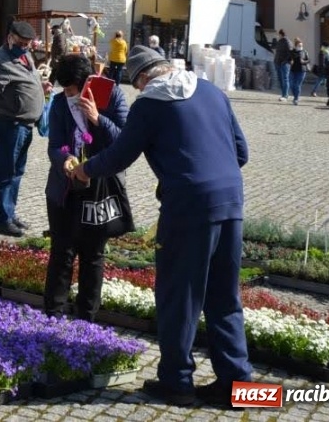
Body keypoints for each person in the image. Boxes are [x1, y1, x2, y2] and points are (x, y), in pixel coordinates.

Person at [69, 43, 252, 409]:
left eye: (137, 85)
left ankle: (176, 381)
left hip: (187, 207)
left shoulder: (149, 104)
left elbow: (121, 154)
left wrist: (83, 170)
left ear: (142, 78)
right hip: (231, 202)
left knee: (178, 296)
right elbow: (241, 152)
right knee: (224, 296)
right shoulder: (212, 91)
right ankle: (240, 387)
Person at [43, 53, 129, 320]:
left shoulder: (113, 96)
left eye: (72, 89)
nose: (68, 94)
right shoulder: (59, 104)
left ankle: (86, 318)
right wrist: (64, 159)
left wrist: (97, 119)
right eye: (65, 89)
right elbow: (54, 146)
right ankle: (52, 314)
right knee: (61, 252)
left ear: (86, 83)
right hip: (65, 187)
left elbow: (125, 142)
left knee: (93, 255)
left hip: (99, 186)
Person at [0, 20, 48, 236]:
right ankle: (2, 219)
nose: (24, 47)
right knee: (5, 172)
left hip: (25, 125)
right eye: (21, 43)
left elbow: (25, 80)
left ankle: (10, 212)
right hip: (9, 124)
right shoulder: (1, 61)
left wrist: (40, 87)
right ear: (10, 37)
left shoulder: (25, 56)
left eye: (27, 44)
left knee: (17, 172)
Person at [289, 37, 310, 105]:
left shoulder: (304, 51)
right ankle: (296, 96)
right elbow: (288, 59)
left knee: (297, 85)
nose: (300, 47)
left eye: (301, 46)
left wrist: (304, 61)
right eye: (299, 46)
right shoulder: (292, 52)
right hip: (293, 70)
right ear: (295, 46)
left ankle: (296, 99)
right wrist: (290, 61)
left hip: (302, 70)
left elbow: (308, 60)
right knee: (292, 84)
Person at [273, 29, 291, 101]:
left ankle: (285, 95)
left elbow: (290, 54)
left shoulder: (287, 42)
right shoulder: (279, 41)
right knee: (280, 79)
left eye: (278, 34)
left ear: (281, 34)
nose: (278, 35)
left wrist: (285, 61)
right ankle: (284, 93)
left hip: (284, 64)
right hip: (277, 62)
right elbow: (277, 52)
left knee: (285, 79)